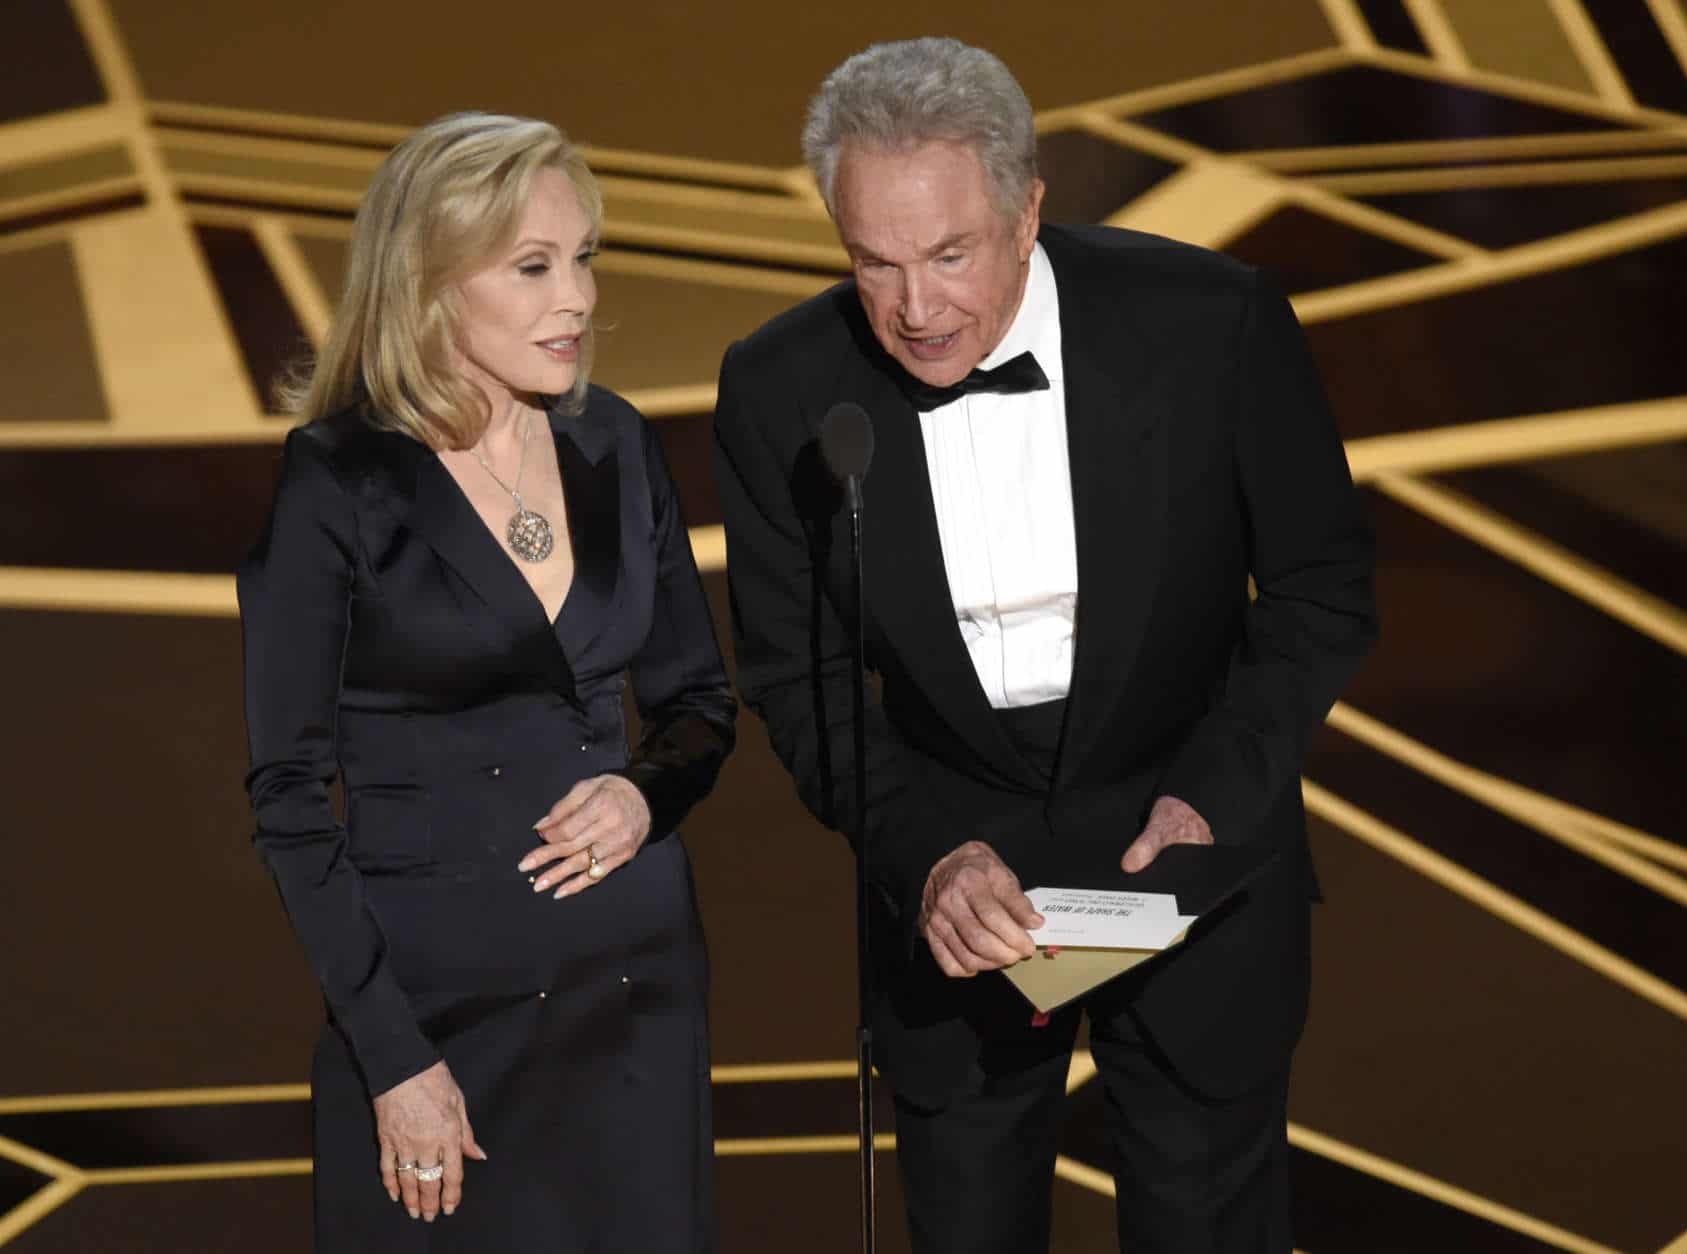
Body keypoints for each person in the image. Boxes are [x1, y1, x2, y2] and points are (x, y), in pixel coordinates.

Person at [713, 38, 1377, 1254]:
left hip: (1193, 867)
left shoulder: (1210, 323)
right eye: (872, 263)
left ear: (1025, 212)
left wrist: (1211, 792)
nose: (915, 310)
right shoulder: (777, 388)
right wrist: (924, 857)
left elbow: (1319, 590)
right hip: (956, 896)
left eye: (948, 255)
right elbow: (798, 677)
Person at [240, 111, 733, 1251]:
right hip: (436, 1021)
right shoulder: (338, 481)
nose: (578, 299)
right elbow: (288, 798)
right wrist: (392, 1057)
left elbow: (697, 705)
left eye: (583, 258)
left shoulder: (616, 444)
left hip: (636, 997)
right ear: (426, 284)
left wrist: (644, 794)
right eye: (533, 267)